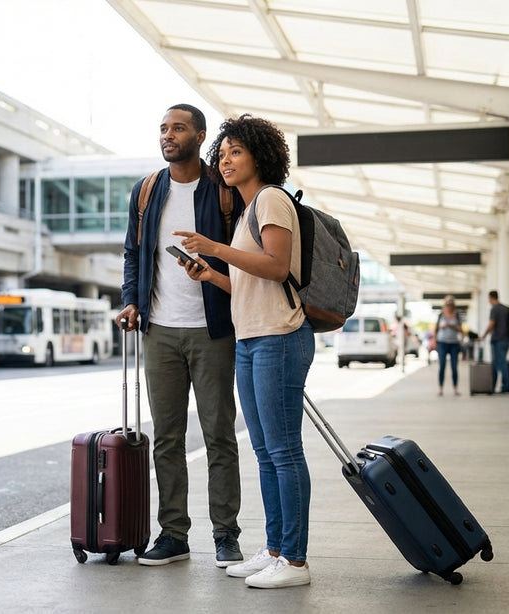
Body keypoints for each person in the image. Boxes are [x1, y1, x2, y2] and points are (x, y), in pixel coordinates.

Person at [176, 113, 314, 588]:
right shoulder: (249, 210)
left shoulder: (272, 199)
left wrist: (216, 247)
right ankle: (275, 548)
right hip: (253, 339)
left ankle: (294, 561)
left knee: (284, 451)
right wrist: (211, 274)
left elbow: (276, 268)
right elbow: (251, 284)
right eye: (224, 152)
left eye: (237, 151)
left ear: (261, 155)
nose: (227, 160)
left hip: (280, 337)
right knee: (265, 452)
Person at [115, 103, 244, 568]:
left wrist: (211, 265)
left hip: (214, 329)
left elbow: (245, 252)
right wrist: (132, 299)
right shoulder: (148, 190)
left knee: (218, 435)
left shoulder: (224, 190)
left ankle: (226, 534)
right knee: (167, 439)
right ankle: (174, 535)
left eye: (179, 128)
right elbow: (134, 253)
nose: (168, 135)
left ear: (200, 135)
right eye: (164, 128)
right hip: (160, 330)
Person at [481, 290, 509, 393]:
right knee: (502, 362)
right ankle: (500, 385)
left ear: (491, 298)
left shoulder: (495, 309)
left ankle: (504, 386)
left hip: (498, 339)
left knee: (499, 363)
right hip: (507, 339)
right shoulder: (505, 308)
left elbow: (491, 323)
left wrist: (483, 336)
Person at [433, 296, 463, 396]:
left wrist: (451, 325)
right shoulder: (441, 315)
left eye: (451, 304)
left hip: (454, 343)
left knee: (454, 367)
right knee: (442, 366)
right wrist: (434, 341)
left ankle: (455, 388)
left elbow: (460, 329)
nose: (449, 305)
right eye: (447, 304)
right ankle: (440, 389)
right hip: (442, 343)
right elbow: (435, 329)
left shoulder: (457, 315)